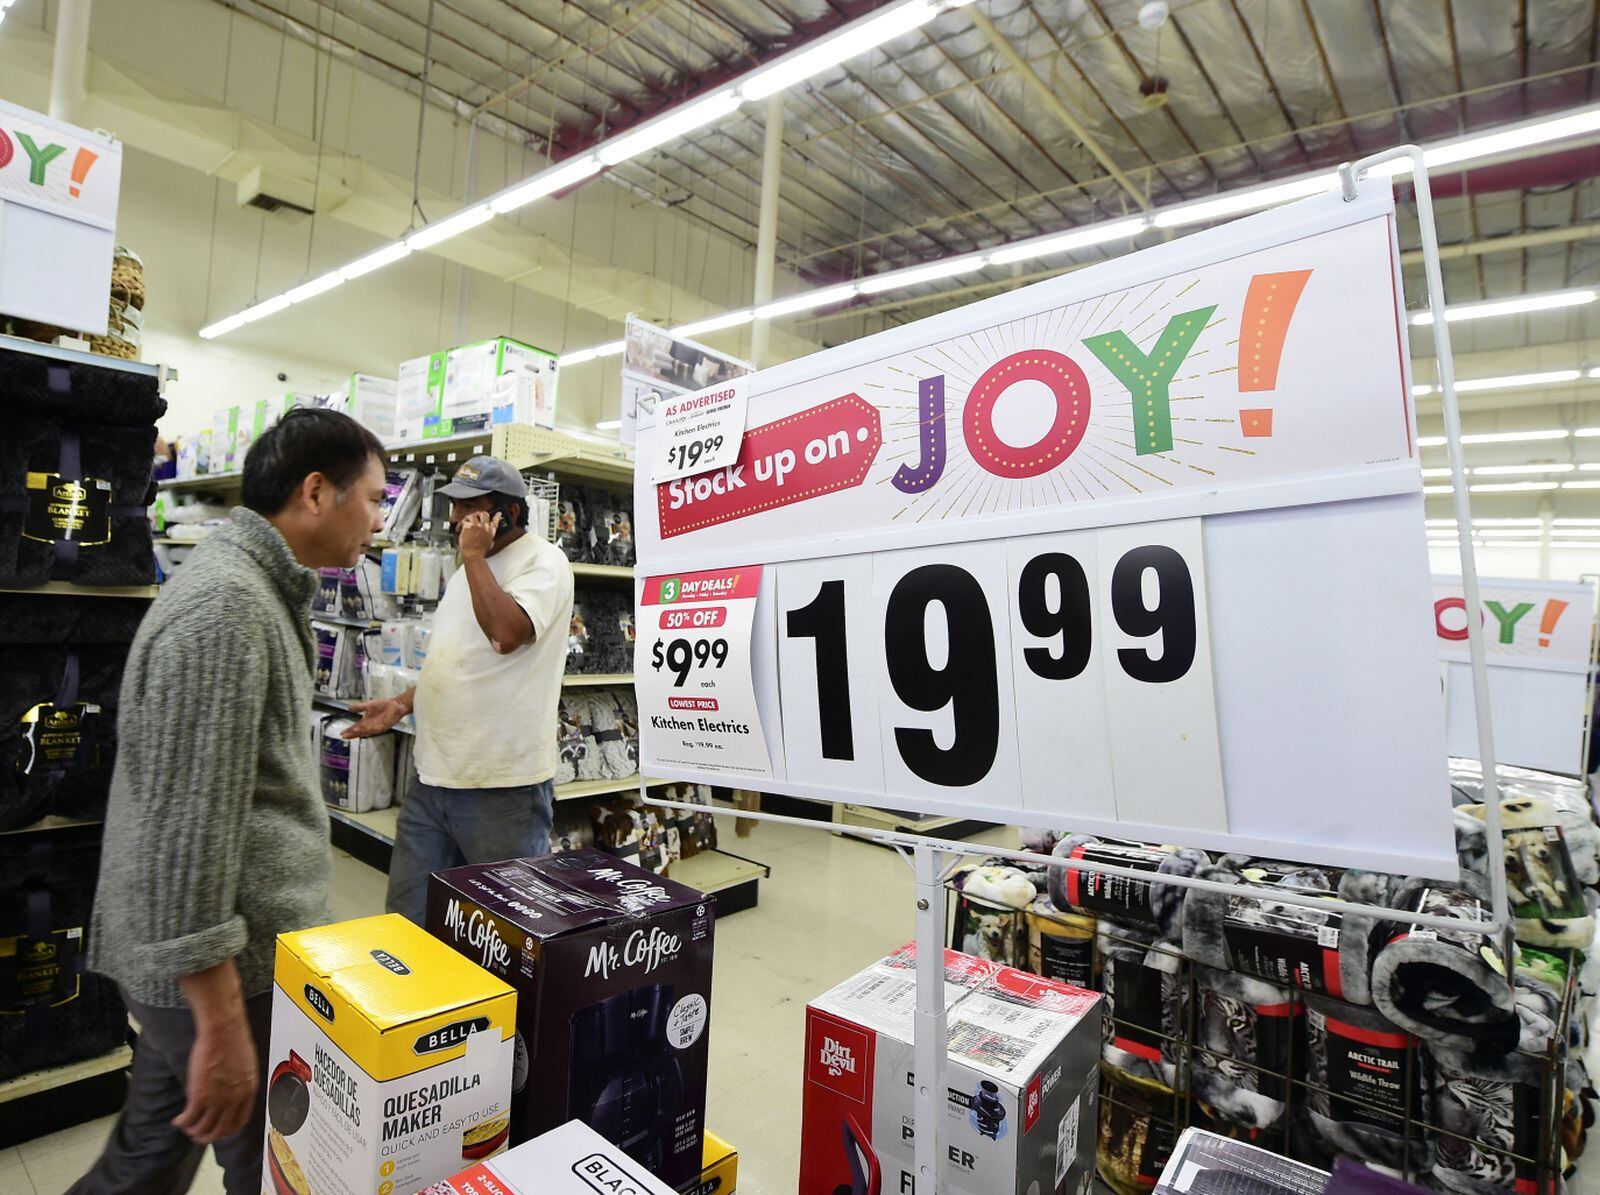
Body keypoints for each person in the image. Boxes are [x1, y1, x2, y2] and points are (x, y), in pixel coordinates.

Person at [72, 409, 387, 1195]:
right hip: (222, 972)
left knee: (148, 1157)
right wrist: (218, 1026)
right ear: (316, 492)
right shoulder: (226, 611)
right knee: (273, 1168)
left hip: (217, 965)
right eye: (375, 499)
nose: (380, 522)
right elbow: (188, 840)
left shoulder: (255, 592)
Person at [344, 455, 574, 924]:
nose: (453, 521)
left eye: (469, 508)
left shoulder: (544, 563)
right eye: (452, 507)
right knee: (408, 914)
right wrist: (405, 702)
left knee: (504, 928)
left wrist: (472, 557)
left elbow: (505, 635)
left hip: (501, 787)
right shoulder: (467, 573)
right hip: (434, 778)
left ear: (505, 513)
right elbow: (460, 657)